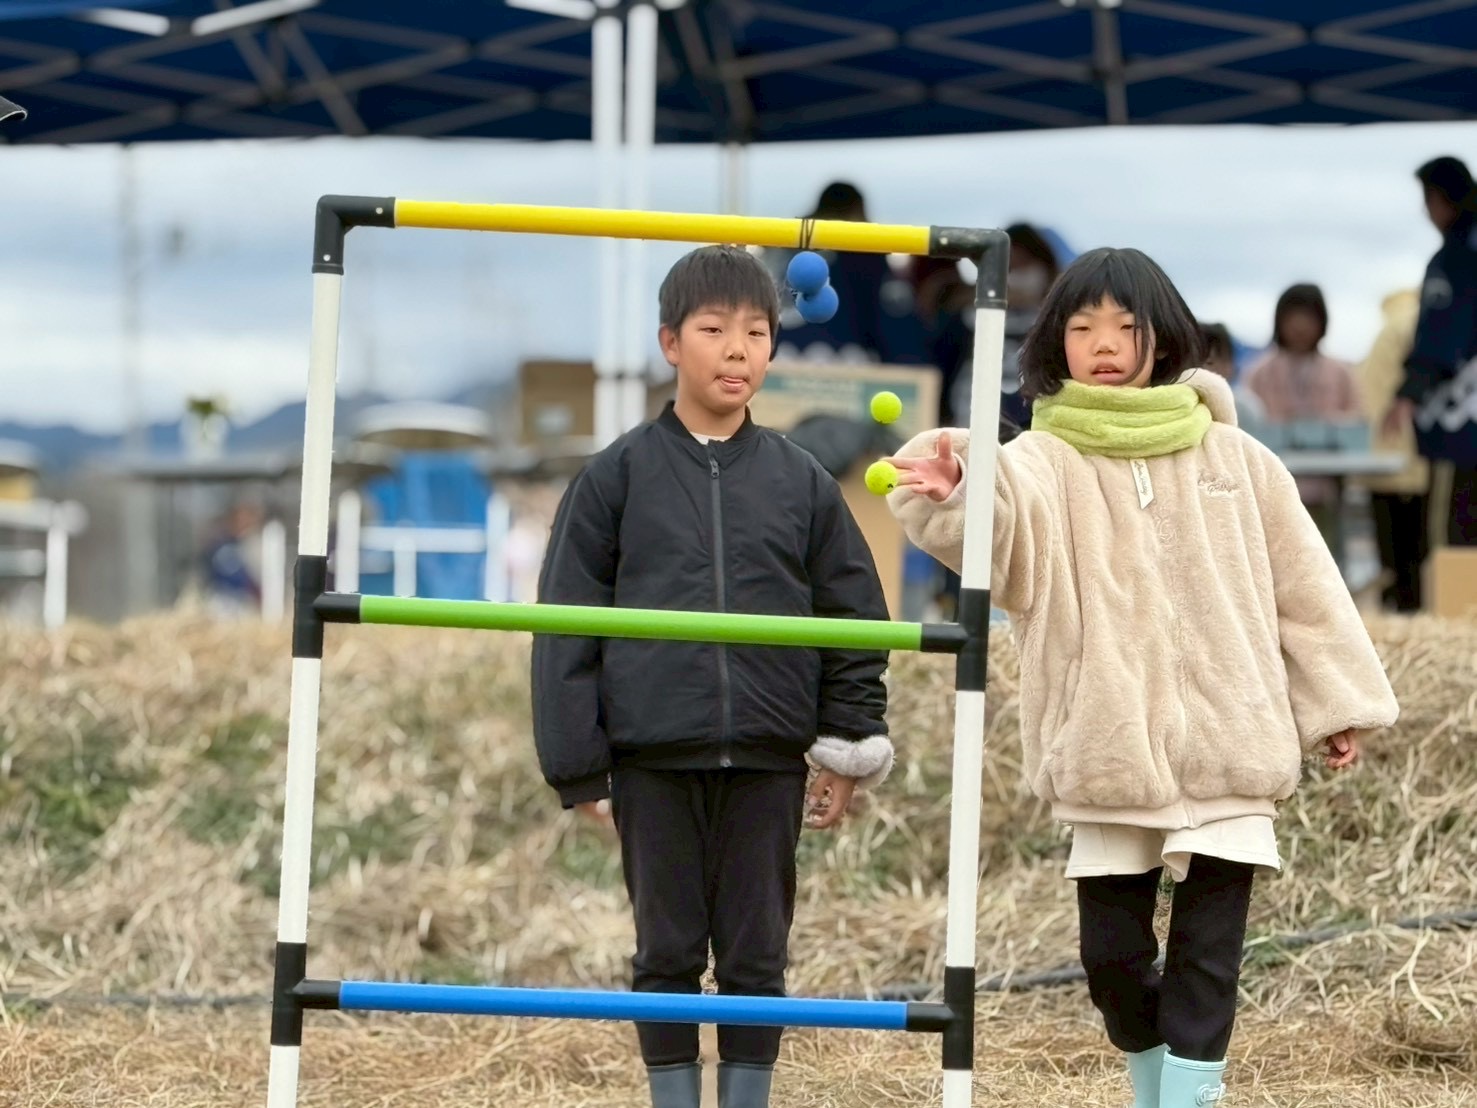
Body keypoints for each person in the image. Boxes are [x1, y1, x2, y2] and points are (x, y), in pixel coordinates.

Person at [883, 247, 1398, 1108]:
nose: (1104, 344)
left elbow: (1305, 590)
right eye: (1083, 327)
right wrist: (958, 489)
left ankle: (1185, 1098)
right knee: (1111, 964)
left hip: (1233, 747)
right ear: (1056, 341)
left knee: (1208, 961)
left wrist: (1332, 703)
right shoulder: (1041, 462)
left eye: (1125, 327)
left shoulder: (1238, 460)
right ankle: (1156, 1080)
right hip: (1109, 749)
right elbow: (1000, 540)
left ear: (1161, 340)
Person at [531, 245, 894, 1108]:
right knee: (663, 953)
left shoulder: (802, 481)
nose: (737, 349)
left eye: (757, 332)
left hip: (768, 759)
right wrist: (580, 766)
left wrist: (846, 744)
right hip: (651, 759)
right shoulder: (615, 476)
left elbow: (855, 617)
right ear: (669, 342)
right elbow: (564, 625)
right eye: (713, 329)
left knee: (756, 955)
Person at [1387, 156, 1477, 544]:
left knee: (1453, 529)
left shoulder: (1456, 259)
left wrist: (1409, 393)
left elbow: (1442, 334)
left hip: (1463, 421)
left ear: (1441, 199)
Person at [1242, 283, 1362, 558]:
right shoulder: (1258, 372)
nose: (1299, 326)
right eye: (1292, 317)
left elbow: (1357, 422)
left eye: (1308, 317)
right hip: (1271, 493)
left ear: (1322, 322)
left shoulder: (1340, 372)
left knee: (1326, 555)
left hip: (1327, 491)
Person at [1355, 289, 1429, 612]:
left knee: (1390, 556)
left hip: (1377, 458)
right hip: (1411, 459)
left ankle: (1394, 613)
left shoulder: (1386, 330)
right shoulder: (1415, 322)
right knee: (1416, 555)